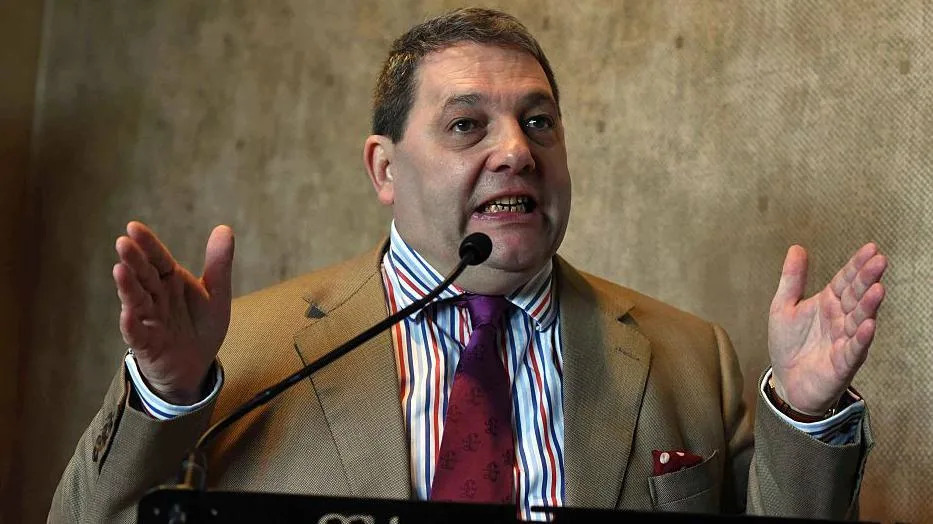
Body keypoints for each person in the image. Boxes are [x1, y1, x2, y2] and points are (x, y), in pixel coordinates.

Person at [50, 8, 888, 523]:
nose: (516, 152)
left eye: (538, 123)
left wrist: (805, 414)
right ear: (384, 169)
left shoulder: (687, 358)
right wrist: (167, 396)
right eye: (465, 126)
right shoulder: (247, 351)